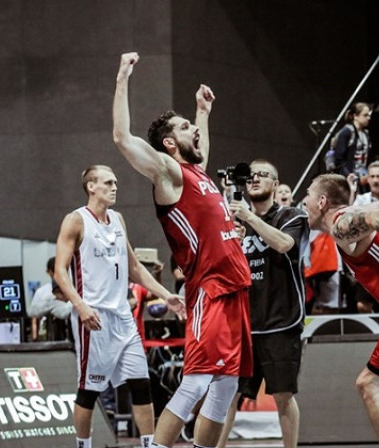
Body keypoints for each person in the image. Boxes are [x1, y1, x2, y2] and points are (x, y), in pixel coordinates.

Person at [112, 52, 253, 448]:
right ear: (170, 143)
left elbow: (201, 150)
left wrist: (202, 112)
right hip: (208, 288)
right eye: (187, 127)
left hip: (235, 287)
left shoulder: (198, 173)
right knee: (195, 381)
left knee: (226, 385)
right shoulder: (169, 174)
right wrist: (123, 77)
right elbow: (122, 139)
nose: (196, 130)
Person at [53, 165, 185, 448]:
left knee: (141, 383)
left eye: (116, 182)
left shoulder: (117, 219)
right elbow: (60, 272)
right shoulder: (75, 221)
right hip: (94, 318)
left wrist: (165, 295)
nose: (115, 187)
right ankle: (83, 445)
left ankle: (150, 444)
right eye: (108, 182)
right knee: (89, 390)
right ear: (91, 186)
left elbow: (134, 267)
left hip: (123, 318)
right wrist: (81, 306)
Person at [305, 173, 379, 448]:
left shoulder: (342, 223)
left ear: (321, 201)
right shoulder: (347, 219)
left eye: (306, 195)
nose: (302, 201)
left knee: (369, 383)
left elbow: (376, 217)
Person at [218, 160, 308, 448]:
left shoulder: (293, 216)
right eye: (251, 175)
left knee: (282, 394)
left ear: (276, 182)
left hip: (281, 320)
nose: (256, 179)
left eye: (263, 175)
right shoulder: (234, 221)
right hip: (243, 321)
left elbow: (283, 245)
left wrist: (250, 219)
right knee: (227, 393)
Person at [28, 256, 73, 341]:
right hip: (51, 336)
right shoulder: (43, 294)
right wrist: (34, 338)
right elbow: (33, 315)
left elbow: (65, 312)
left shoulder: (73, 294)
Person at [332, 102, 372, 182]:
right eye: (365, 115)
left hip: (362, 174)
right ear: (355, 116)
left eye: (369, 115)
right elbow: (338, 159)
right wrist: (348, 175)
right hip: (349, 176)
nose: (368, 118)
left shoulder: (365, 134)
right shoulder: (347, 132)